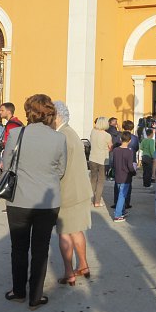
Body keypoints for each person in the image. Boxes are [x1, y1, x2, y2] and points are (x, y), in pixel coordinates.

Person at [1, 94, 67, 310]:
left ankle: (18, 291)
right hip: (47, 202)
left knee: (18, 248)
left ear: (28, 111)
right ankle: (35, 296)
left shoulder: (16, 133)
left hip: (19, 199)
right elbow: (61, 169)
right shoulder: (58, 138)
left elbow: (7, 163)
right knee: (40, 249)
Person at [52, 101, 92, 286]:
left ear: (57, 116)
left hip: (67, 192)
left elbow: (58, 168)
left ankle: (69, 272)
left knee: (64, 233)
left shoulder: (61, 136)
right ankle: (83, 265)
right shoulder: (71, 132)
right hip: (80, 190)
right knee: (77, 230)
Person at [113, 120, 138, 210]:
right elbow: (137, 148)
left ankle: (117, 202)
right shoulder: (134, 138)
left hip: (119, 160)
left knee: (117, 184)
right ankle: (126, 202)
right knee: (128, 182)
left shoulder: (120, 136)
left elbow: (115, 146)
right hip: (131, 159)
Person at [111, 132, 137, 222]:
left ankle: (122, 211)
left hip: (117, 175)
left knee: (120, 194)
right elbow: (130, 166)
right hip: (126, 176)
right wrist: (133, 172)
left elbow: (113, 163)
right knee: (122, 195)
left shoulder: (115, 150)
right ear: (130, 141)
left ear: (120, 139)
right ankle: (118, 215)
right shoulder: (130, 152)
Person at [88, 117, 113, 207]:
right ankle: (97, 201)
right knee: (101, 181)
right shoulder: (107, 135)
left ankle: (90, 199)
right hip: (102, 159)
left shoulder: (92, 132)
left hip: (92, 158)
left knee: (93, 179)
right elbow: (110, 147)